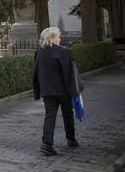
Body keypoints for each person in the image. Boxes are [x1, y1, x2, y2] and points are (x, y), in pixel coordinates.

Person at [33, 27, 80, 156]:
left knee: (50, 116)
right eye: (58, 36)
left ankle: (46, 144)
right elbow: (68, 73)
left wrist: (39, 89)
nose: (60, 39)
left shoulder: (39, 52)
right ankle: (71, 140)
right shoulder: (63, 52)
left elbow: (36, 72)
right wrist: (74, 90)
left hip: (47, 91)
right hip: (63, 90)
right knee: (68, 114)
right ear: (51, 38)